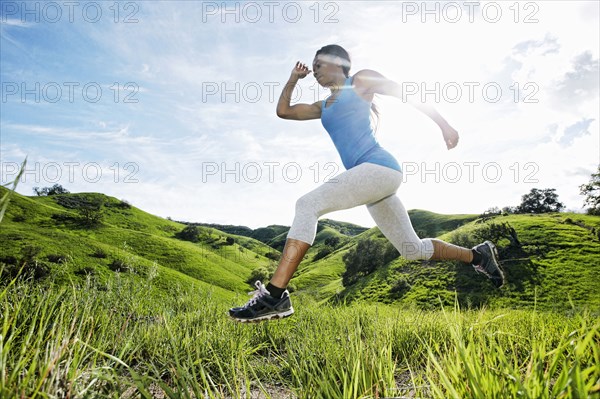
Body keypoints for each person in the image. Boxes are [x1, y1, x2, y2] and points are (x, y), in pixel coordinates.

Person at [229, 44, 505, 323]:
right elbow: (284, 111)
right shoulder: (323, 107)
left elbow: (405, 92)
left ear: (337, 62)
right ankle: (478, 256)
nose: (314, 73)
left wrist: (444, 124)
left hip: (379, 168)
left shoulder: (359, 81)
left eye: (318, 66)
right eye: (311, 70)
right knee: (412, 250)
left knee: (307, 205)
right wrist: (293, 79)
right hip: (375, 182)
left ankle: (275, 296)